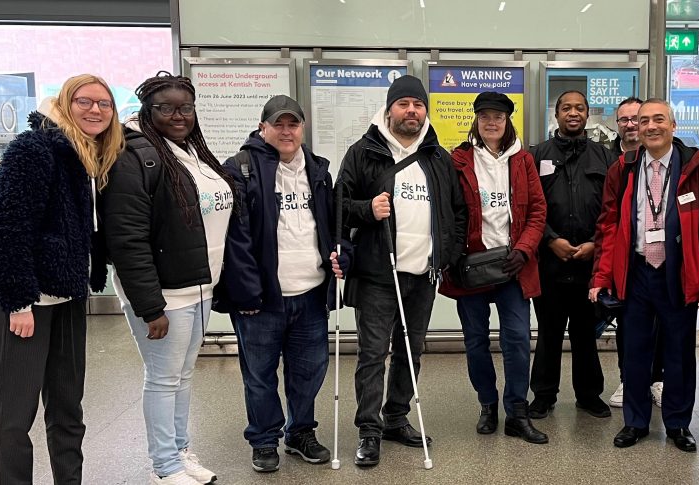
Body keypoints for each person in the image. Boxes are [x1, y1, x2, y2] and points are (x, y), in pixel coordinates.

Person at [0, 74, 123, 485]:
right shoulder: (34, 149)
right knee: (14, 414)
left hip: (66, 296)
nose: (95, 110)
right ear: (64, 104)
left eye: (104, 104)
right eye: (84, 101)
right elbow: (6, 230)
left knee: (67, 408)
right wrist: (19, 302)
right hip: (24, 301)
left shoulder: (90, 156)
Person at [101, 72, 236, 485]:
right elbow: (127, 239)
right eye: (167, 108)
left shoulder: (188, 151)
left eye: (186, 108)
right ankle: (164, 466)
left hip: (198, 287)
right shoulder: (133, 155)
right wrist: (150, 306)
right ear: (149, 111)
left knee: (183, 375)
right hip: (164, 294)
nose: (178, 116)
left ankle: (179, 451)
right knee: (162, 379)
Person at [336, 75, 467, 467]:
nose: (412, 111)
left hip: (423, 274)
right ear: (390, 109)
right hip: (378, 274)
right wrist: (366, 210)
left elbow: (457, 212)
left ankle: (396, 418)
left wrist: (447, 253)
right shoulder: (364, 152)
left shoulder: (437, 157)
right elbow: (338, 205)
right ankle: (369, 430)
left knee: (412, 351)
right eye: (404, 103)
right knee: (373, 354)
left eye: (418, 105)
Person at [214, 95, 346, 473]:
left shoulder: (319, 170)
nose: (287, 131)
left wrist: (341, 253)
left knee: (309, 371)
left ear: (302, 128)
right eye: (279, 124)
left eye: (294, 124)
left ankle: (300, 433)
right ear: (263, 128)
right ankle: (264, 439)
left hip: (310, 295)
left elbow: (333, 228)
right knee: (259, 375)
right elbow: (235, 239)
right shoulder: (240, 169)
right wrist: (246, 293)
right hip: (261, 300)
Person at [589, 98, 699, 453]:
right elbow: (608, 225)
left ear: (673, 125)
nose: (650, 126)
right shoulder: (625, 167)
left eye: (658, 119)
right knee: (635, 352)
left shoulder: (696, 166)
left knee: (679, 351)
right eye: (643, 120)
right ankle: (635, 422)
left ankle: (678, 424)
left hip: (678, 273)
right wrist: (601, 276)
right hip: (636, 272)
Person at [440, 92, 549, 444]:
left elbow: (537, 212)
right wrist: (452, 256)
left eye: (498, 117)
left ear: (507, 122)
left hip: (512, 265)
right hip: (469, 267)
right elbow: (449, 213)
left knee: (517, 339)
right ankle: (488, 404)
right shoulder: (459, 160)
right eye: (485, 116)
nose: (491, 122)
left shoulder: (524, 161)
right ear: (476, 120)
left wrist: (524, 249)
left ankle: (516, 411)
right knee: (475, 341)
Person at [527, 90, 616, 420]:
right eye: (567, 108)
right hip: (549, 262)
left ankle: (589, 395)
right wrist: (550, 240)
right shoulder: (536, 156)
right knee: (549, 332)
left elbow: (613, 209)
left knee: (584, 333)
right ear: (557, 115)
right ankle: (543, 395)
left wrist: (596, 242)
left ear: (588, 113)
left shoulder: (604, 158)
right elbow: (528, 207)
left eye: (580, 108)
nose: (573, 113)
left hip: (590, 263)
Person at [605, 96, 666, 409]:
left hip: (665, 260)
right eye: (625, 120)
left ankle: (657, 380)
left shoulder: (676, 160)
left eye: (636, 118)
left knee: (662, 327)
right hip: (628, 259)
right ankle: (629, 381)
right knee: (628, 326)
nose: (631, 125)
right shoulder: (612, 161)